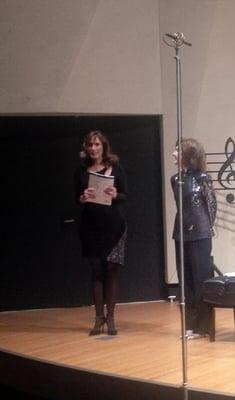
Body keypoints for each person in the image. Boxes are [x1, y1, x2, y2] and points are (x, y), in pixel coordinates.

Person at [74, 130, 127, 336]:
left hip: (113, 226)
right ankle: (98, 319)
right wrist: (82, 197)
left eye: (97, 144)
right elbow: (74, 198)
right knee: (96, 271)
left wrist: (116, 194)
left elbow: (126, 194)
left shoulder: (116, 167)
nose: (93, 148)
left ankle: (111, 318)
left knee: (111, 270)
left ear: (104, 146)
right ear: (86, 148)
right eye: (90, 145)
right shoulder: (80, 170)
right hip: (90, 226)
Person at [171, 138, 217, 339]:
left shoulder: (203, 178)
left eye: (177, 151)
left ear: (188, 155)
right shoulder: (175, 179)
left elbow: (212, 205)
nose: (173, 154)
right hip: (181, 231)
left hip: (200, 232)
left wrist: (209, 226)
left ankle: (203, 326)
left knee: (201, 279)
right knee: (185, 280)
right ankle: (189, 325)